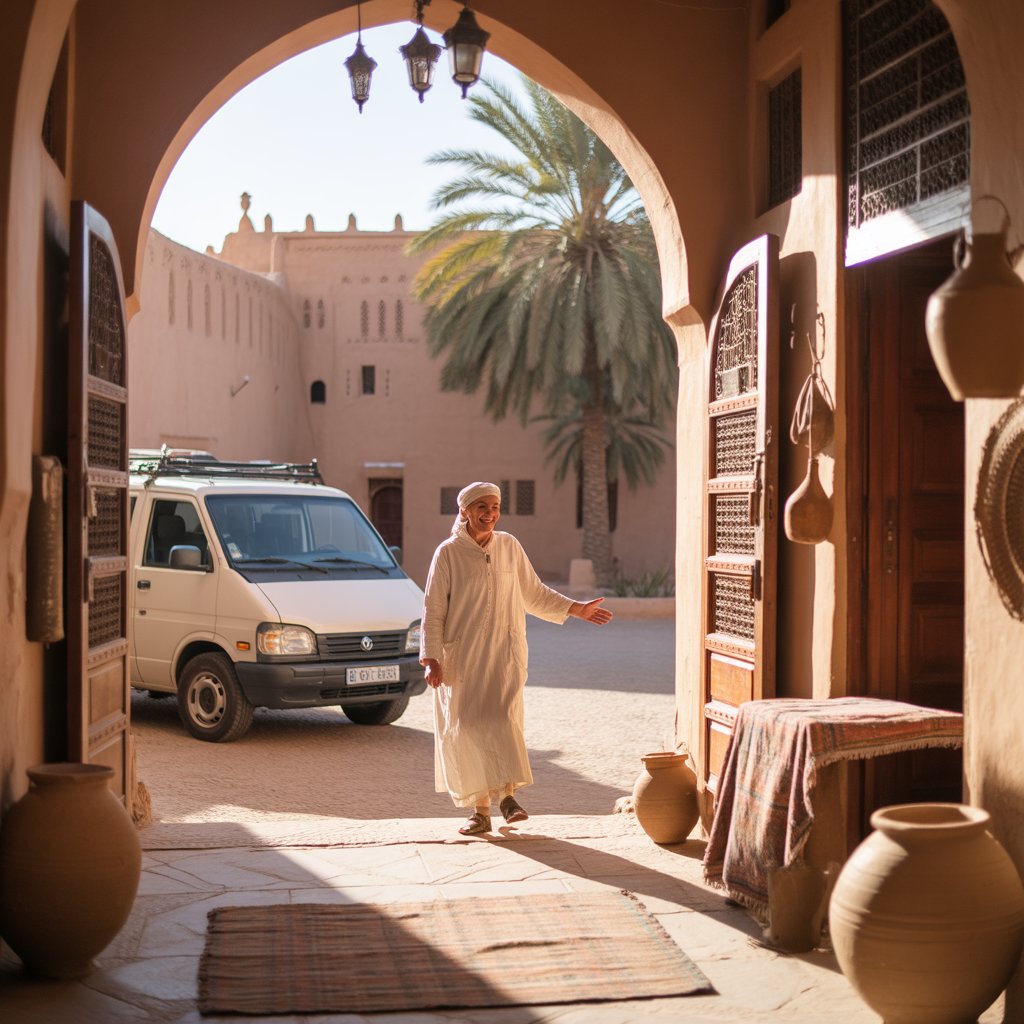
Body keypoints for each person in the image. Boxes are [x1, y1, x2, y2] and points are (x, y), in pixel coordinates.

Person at [420, 481, 613, 836]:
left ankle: (508, 798)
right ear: (464, 511)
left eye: (495, 507)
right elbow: (433, 610)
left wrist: (575, 609)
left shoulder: (509, 546)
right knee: (468, 728)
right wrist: (431, 658)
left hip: (505, 654)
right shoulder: (447, 553)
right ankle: (480, 811)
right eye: (482, 506)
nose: (490, 513)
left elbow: (534, 593)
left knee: (504, 720)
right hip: (462, 658)